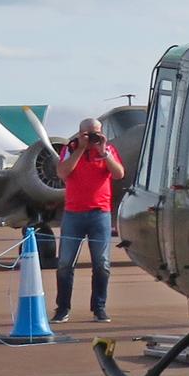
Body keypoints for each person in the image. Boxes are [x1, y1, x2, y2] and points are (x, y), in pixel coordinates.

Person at [55, 117, 124, 323]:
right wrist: (80, 149)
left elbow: (119, 174)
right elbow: (62, 173)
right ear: (79, 133)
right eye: (88, 133)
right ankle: (63, 308)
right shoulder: (70, 149)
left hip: (99, 213)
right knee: (65, 263)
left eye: (96, 132)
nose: (93, 136)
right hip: (73, 213)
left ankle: (99, 307)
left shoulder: (107, 150)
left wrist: (102, 152)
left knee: (102, 263)